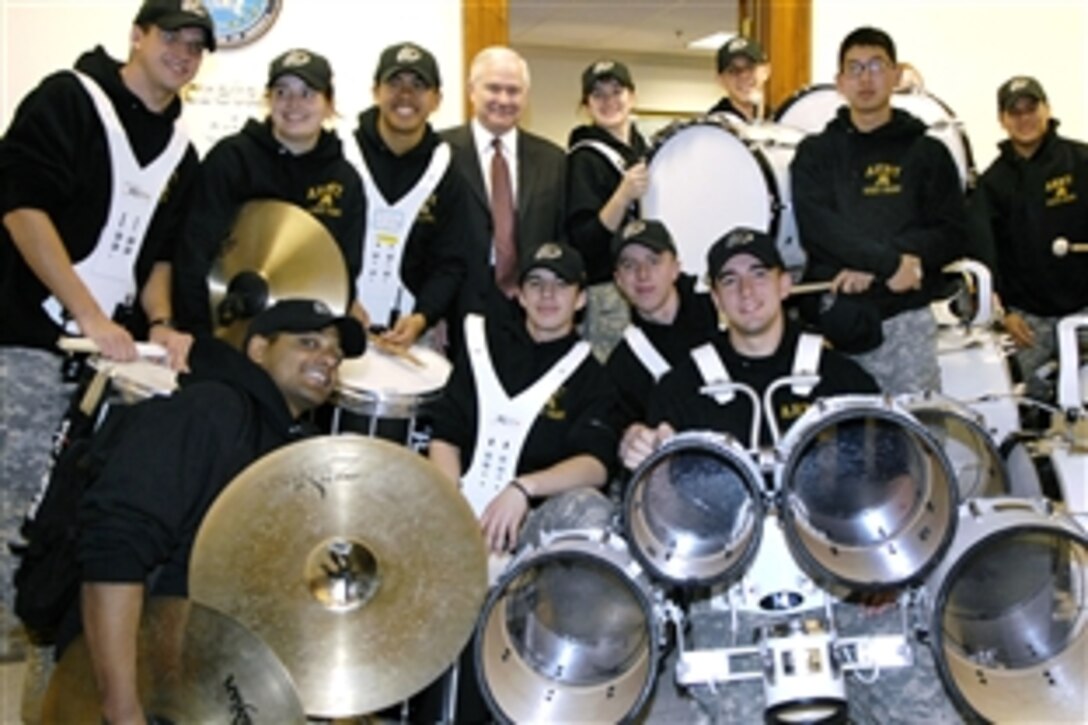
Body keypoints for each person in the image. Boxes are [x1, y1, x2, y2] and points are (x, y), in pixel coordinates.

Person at [0, 0, 213, 674]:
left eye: (196, 45)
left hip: (108, 364)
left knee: (67, 526)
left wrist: (159, 323)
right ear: (137, 36)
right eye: (171, 37)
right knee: (9, 504)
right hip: (29, 342)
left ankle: (46, 680)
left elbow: (159, 260)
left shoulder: (184, 150)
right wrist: (87, 312)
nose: (183, 52)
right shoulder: (68, 99)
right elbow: (20, 207)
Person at [75, 298, 365, 724]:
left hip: (209, 684)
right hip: (135, 684)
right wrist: (123, 710)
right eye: (308, 342)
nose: (327, 359)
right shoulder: (210, 411)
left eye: (336, 355)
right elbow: (113, 551)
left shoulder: (292, 449)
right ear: (258, 349)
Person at [790, 26, 966, 395]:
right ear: (839, 82)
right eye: (854, 68)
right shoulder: (815, 153)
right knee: (843, 441)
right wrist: (889, 264)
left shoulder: (928, 152)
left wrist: (888, 264)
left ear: (896, 75)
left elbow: (951, 232)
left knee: (917, 434)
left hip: (908, 320)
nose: (865, 78)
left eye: (875, 66)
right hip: (840, 321)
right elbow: (819, 230)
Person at [623, 227, 878, 469]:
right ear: (715, 298)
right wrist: (641, 450)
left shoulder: (843, 381)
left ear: (785, 284)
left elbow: (893, 474)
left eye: (759, 274)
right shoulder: (679, 390)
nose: (746, 291)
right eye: (730, 280)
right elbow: (653, 498)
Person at [429, 241, 619, 554]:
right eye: (536, 283)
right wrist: (449, 500)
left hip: (535, 531)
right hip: (455, 514)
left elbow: (595, 465)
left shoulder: (594, 378)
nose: (547, 294)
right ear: (520, 294)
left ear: (581, 298)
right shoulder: (481, 350)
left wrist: (523, 489)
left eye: (561, 285)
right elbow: (445, 435)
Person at [174, 48, 366, 335]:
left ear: (329, 104)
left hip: (305, 339)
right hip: (224, 328)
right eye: (282, 92)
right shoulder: (232, 159)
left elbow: (343, 273)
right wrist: (200, 336)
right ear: (268, 100)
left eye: (308, 93)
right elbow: (193, 253)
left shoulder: (345, 181)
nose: (293, 104)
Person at [345, 42, 468, 349]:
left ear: (436, 99)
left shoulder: (449, 170)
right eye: (394, 83)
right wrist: (343, 299)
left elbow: (450, 262)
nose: (405, 95)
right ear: (376, 91)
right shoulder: (340, 155)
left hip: (410, 334)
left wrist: (423, 316)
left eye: (418, 85)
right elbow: (317, 244)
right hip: (337, 324)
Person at [970, 76, 1088, 395]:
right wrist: (1005, 314)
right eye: (1014, 112)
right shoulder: (992, 184)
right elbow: (987, 254)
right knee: (1014, 396)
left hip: (1083, 310)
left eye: (1030, 108)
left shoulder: (1081, 161)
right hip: (1027, 320)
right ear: (1002, 120)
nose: (1024, 119)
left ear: (1047, 109)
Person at [442, 46, 566, 346]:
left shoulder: (553, 159)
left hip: (531, 311)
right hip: (455, 309)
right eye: (493, 89)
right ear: (472, 91)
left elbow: (561, 237)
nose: (504, 100)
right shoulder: (439, 152)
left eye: (514, 91)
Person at [566, 59, 649, 361]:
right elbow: (584, 241)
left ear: (633, 96)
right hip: (610, 295)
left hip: (652, 286)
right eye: (598, 95)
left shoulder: (645, 149)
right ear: (586, 104)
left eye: (617, 91)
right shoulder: (584, 159)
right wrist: (623, 195)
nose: (609, 101)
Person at [605, 218, 718, 440]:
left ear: (675, 268)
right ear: (618, 280)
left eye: (653, 261)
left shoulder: (722, 315)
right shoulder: (622, 366)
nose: (643, 275)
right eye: (629, 265)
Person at [708, 35, 772, 123]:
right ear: (720, 80)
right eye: (733, 70)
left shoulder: (780, 121)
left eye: (750, 67)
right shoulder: (712, 128)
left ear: (766, 71)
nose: (743, 76)